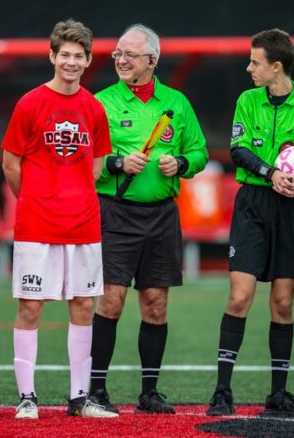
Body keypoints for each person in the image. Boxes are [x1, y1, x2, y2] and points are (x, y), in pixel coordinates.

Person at [204, 29, 294, 416]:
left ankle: (278, 394)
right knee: (239, 298)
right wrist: (271, 172)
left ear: (276, 66)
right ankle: (222, 391)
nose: (248, 68)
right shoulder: (247, 100)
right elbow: (237, 150)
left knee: (283, 304)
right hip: (253, 204)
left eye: (255, 62)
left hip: (292, 211)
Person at [90, 24, 208, 415]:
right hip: (115, 214)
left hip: (162, 217)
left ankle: (149, 394)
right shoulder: (101, 103)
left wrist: (183, 163)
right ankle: (96, 391)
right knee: (111, 301)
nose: (121, 60)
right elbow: (85, 164)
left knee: (156, 304)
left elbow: (201, 153)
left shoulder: (176, 102)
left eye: (130, 55)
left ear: (152, 61)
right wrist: (116, 163)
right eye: (117, 54)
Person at [2, 19, 115, 420]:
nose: (70, 62)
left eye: (78, 56)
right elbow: (10, 164)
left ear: (87, 61)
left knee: (83, 306)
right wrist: (35, 198)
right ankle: (27, 398)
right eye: (64, 54)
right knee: (31, 307)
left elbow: (98, 164)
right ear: (52, 56)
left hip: (83, 224)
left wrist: (74, 195)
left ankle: (79, 398)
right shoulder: (29, 104)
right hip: (36, 224)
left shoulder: (94, 107)